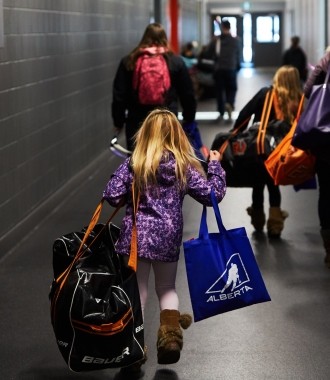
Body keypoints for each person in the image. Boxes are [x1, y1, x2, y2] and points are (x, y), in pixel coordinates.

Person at [103, 109, 226, 376]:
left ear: (145, 134)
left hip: (136, 239)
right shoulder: (183, 166)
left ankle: (132, 352)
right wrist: (215, 165)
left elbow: (111, 196)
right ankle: (170, 339)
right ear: (177, 135)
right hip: (168, 237)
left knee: (137, 293)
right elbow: (212, 195)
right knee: (167, 287)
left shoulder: (135, 162)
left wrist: (127, 184)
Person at [232, 65, 303, 238]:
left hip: (260, 149)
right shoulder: (298, 98)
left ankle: (257, 219)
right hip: (281, 152)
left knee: (257, 183)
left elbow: (245, 114)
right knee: (273, 185)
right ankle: (275, 223)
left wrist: (235, 132)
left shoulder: (266, 94)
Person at [112, 22, 196, 152]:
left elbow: (119, 95)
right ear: (164, 38)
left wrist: (118, 121)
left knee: (137, 163)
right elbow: (187, 93)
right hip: (167, 121)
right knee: (168, 160)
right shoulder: (175, 61)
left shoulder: (129, 61)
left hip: (137, 122)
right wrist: (189, 118)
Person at [303, 47, 330, 268]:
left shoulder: (326, 60)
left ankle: (329, 246)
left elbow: (307, 90)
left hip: (325, 138)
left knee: (327, 191)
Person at [211, 20, 242, 121]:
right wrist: (238, 65)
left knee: (220, 90)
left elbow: (214, 54)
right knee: (232, 88)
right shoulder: (236, 40)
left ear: (222, 27)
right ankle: (230, 103)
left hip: (219, 68)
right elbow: (238, 55)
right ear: (229, 27)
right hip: (231, 67)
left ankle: (221, 111)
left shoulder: (217, 40)